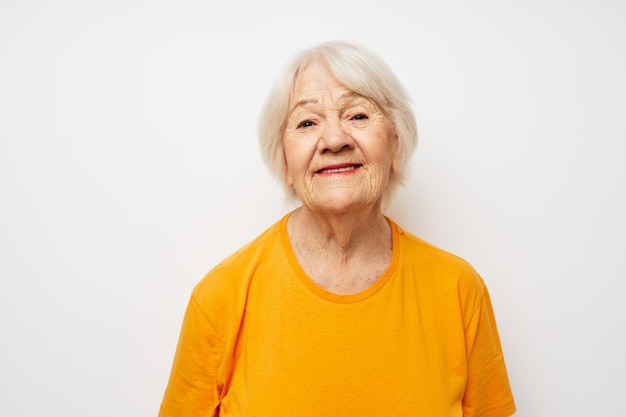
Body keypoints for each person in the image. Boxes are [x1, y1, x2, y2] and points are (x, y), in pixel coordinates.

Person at [158, 41, 516, 417]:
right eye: (307, 122)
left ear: (395, 143)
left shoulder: (458, 290)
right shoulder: (221, 298)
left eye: (358, 116)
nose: (334, 140)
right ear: (283, 160)